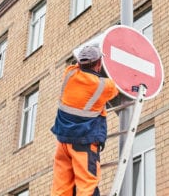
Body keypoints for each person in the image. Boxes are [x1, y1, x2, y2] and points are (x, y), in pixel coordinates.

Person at [50, 45, 119, 196]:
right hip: (83, 143)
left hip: (62, 141)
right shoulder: (103, 85)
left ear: (79, 63)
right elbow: (116, 88)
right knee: (86, 187)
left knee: (61, 188)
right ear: (99, 63)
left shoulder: (69, 73)